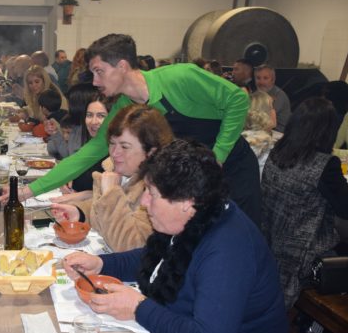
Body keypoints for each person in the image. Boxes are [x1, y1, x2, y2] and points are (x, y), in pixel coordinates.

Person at [62, 139, 293, 333]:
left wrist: (138, 308)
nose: (144, 202)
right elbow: (156, 258)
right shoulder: (197, 216)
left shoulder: (228, 250)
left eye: (152, 193)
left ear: (186, 201)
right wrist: (102, 264)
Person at [18, 33, 261, 226]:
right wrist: (29, 191)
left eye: (99, 71)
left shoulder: (180, 76)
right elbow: (90, 152)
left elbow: (237, 100)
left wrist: (219, 155)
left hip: (233, 170)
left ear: (122, 66)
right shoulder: (125, 106)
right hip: (193, 179)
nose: (95, 81)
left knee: (240, 239)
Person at [261, 97, 348, 308]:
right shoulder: (324, 164)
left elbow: (303, 188)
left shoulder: (278, 152)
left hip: (270, 245)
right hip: (303, 255)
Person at [51, 105, 173, 251]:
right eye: (112, 144)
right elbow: (102, 214)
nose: (114, 153)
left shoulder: (157, 188)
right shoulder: (114, 169)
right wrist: (80, 212)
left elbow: (132, 246)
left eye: (125, 147)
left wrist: (111, 193)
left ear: (151, 152)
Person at [45, 84, 99, 160]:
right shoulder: (77, 126)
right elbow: (66, 153)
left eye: (69, 104)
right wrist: (55, 134)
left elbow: (75, 158)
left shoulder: (92, 129)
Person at [243, 90, 279, 177]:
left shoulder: (241, 137)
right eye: (271, 107)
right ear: (263, 113)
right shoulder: (265, 145)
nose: (274, 111)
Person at [254, 65, 291, 132]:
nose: (261, 82)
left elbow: (265, 117)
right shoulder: (257, 94)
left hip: (278, 132)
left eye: (265, 78)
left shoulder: (279, 95)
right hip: (261, 129)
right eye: (258, 78)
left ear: (273, 80)